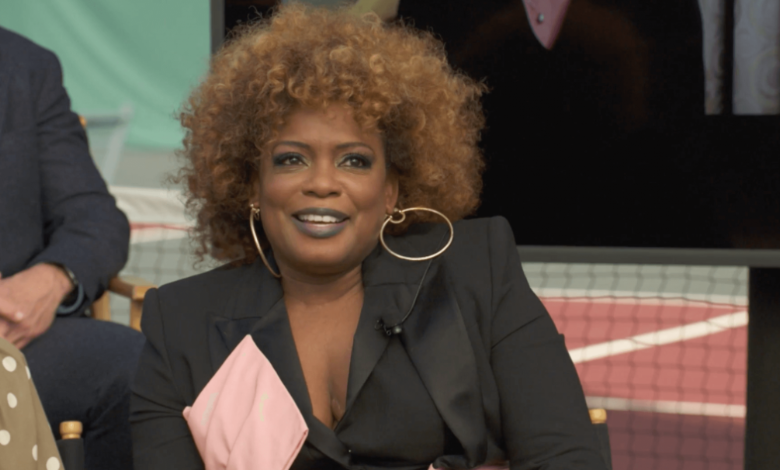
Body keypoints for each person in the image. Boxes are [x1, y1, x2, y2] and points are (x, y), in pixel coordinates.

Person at [130, 4, 606, 469]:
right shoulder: (179, 323)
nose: (322, 182)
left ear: (391, 191)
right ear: (252, 184)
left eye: (354, 160)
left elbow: (566, 457)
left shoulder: (479, 270)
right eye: (291, 159)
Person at [0, 26, 144, 470]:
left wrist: (49, 279)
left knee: (138, 365)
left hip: (14, 339)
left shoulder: (25, 66)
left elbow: (95, 219)